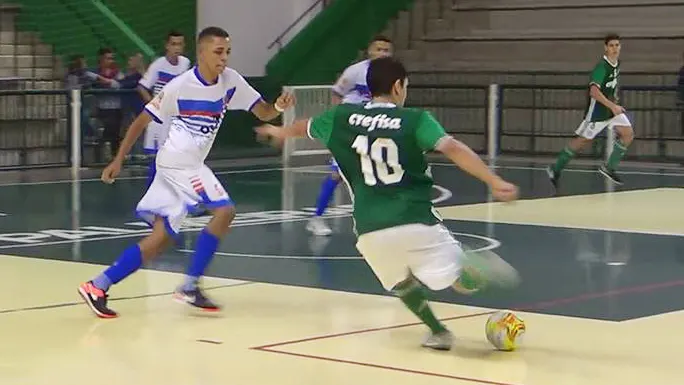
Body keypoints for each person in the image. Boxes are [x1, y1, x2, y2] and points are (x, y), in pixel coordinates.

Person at [255, 57, 519, 350]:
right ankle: (468, 265)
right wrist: (493, 181)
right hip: (415, 219)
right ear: (397, 87)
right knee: (461, 282)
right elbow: (453, 148)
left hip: (370, 230)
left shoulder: (342, 117)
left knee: (400, 283)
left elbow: (305, 126)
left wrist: (279, 131)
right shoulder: (415, 120)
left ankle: (439, 332)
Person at [78, 26, 295, 319]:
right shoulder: (180, 86)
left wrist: (278, 106)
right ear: (202, 52)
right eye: (218, 52)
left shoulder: (231, 82)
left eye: (228, 52)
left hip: (185, 165)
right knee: (225, 210)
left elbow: (263, 112)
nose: (224, 58)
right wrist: (118, 159)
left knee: (161, 239)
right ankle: (190, 286)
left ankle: (98, 286)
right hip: (178, 162)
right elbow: (142, 120)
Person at [307, 35, 394, 236]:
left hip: (375, 128)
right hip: (351, 128)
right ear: (370, 51)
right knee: (337, 174)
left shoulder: (393, 74)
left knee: (379, 171)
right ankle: (317, 218)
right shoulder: (356, 71)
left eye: (386, 50)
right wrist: (341, 122)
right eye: (378, 49)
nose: (382, 53)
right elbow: (338, 93)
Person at [547, 34, 634, 187]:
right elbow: (594, 91)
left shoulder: (617, 64)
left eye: (617, 45)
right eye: (611, 46)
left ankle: (609, 167)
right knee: (581, 142)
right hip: (598, 113)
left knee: (628, 134)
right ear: (605, 48)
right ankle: (555, 168)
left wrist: (614, 102)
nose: (615, 48)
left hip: (611, 110)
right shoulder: (601, 67)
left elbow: (611, 86)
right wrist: (612, 106)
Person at [138, 30, 192, 188]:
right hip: (159, 120)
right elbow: (142, 87)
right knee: (157, 160)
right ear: (167, 45)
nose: (177, 47)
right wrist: (155, 107)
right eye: (173, 44)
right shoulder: (158, 65)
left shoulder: (185, 63)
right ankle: (153, 198)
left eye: (180, 44)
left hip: (177, 118)